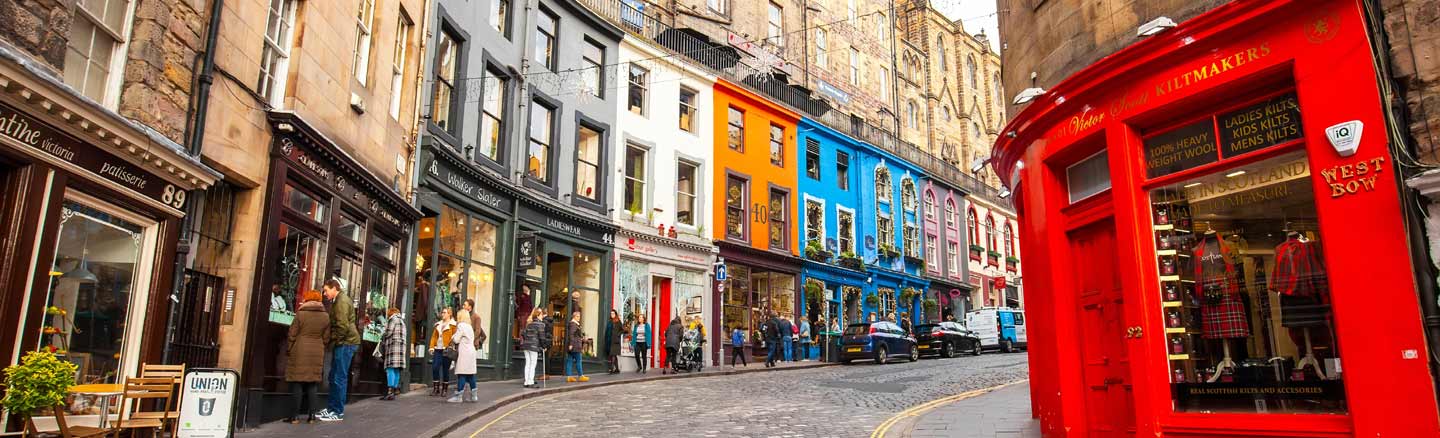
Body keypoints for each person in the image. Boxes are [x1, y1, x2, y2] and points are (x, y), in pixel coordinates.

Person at [285, 290, 329, 424]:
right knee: (312, 384)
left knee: (297, 383)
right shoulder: (326, 316)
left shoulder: (301, 313)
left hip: (300, 349)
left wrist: (289, 348)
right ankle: (312, 417)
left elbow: (292, 334)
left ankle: (294, 417)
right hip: (317, 350)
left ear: (307, 299)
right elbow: (326, 338)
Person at [316, 279, 357, 422]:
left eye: (326, 290)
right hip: (344, 342)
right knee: (334, 376)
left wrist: (336, 342)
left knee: (339, 377)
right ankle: (332, 408)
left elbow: (342, 326)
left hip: (346, 343)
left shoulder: (341, 302)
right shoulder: (338, 300)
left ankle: (337, 411)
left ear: (334, 288)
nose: (325, 293)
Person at [448, 311, 479, 403]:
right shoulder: (469, 326)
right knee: (470, 374)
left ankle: (459, 396)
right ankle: (474, 396)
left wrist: (452, 336)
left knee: (462, 373)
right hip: (471, 352)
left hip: (464, 352)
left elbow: (456, 339)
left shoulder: (461, 325)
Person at [379, 308, 407, 400]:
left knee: (390, 368)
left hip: (393, 347)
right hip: (401, 348)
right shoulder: (402, 322)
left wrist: (382, 334)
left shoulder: (393, 319)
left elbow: (388, 332)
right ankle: (394, 391)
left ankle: (389, 392)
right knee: (396, 370)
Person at [428, 307, 456, 396]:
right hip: (438, 349)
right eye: (442, 312)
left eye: (444, 312)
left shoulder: (453, 325)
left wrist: (451, 347)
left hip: (446, 350)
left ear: (449, 314)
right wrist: (431, 347)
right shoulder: (438, 324)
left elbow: (454, 338)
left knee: (445, 370)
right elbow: (434, 337)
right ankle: (436, 388)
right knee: (435, 367)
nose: (442, 314)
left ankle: (444, 389)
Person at [520, 308, 548, 388]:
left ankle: (526, 381)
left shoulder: (529, 324)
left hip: (526, 345)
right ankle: (531, 381)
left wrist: (527, 340)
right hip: (534, 346)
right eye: (542, 314)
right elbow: (542, 337)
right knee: (532, 364)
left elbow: (524, 333)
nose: (542, 316)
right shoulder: (541, 325)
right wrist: (544, 346)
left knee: (528, 363)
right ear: (538, 315)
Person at [565, 311, 589, 382]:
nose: (579, 318)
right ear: (574, 317)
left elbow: (575, 335)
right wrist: (571, 344)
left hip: (573, 345)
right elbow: (571, 335)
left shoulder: (575, 324)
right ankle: (581, 375)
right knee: (578, 360)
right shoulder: (573, 324)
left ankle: (569, 377)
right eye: (577, 316)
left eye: (579, 316)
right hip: (575, 346)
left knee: (569, 360)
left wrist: (582, 338)